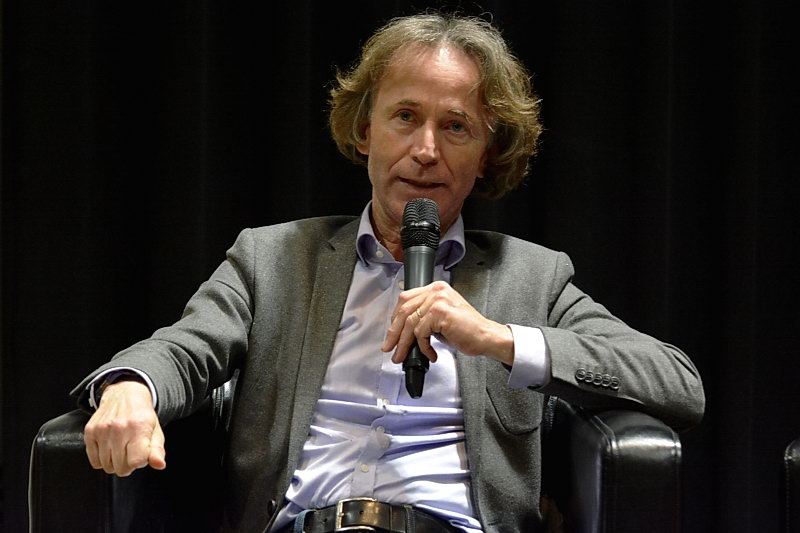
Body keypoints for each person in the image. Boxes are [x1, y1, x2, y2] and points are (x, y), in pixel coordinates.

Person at [74, 13, 705, 533]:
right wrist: (132, 385)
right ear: (364, 131)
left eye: (455, 127)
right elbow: (185, 347)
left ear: (487, 156)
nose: (426, 150)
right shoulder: (273, 259)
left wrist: (497, 338)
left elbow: (678, 383)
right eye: (405, 117)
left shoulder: (532, 278)